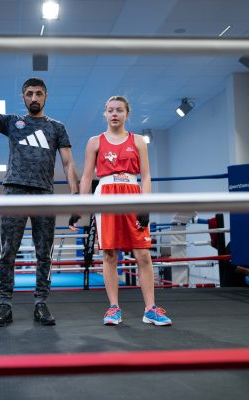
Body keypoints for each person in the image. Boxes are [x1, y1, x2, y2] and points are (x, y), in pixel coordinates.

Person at [0, 77, 79, 327]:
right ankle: (5, 305)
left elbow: (68, 163)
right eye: (29, 93)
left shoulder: (57, 127)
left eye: (38, 93)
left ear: (45, 96)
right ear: (23, 97)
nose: (34, 98)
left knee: (45, 253)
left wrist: (76, 199)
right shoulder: (12, 122)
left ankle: (41, 303)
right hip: (14, 192)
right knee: (8, 251)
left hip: (44, 194)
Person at [75, 95, 171, 326]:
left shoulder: (138, 141)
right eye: (110, 110)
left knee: (143, 254)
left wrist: (145, 204)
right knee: (109, 254)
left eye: (119, 110)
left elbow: (146, 175)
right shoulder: (94, 142)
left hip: (132, 193)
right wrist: (78, 206)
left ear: (127, 114)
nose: (114, 114)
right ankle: (113, 308)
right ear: (105, 114)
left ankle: (150, 309)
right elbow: (87, 176)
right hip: (106, 194)